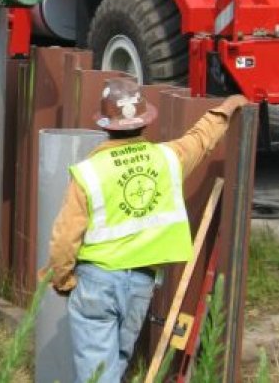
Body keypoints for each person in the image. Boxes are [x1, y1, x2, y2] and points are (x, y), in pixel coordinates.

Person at [42, 77, 249, 383]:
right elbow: (201, 138)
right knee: (116, 365)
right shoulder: (168, 158)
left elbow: (64, 238)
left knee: (97, 375)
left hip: (96, 282)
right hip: (140, 283)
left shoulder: (88, 173)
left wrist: (62, 277)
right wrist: (229, 106)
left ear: (105, 125)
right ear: (145, 122)